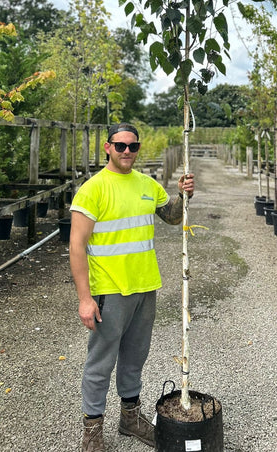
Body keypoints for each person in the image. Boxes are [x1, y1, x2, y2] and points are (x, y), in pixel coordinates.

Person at [69, 122, 195, 451]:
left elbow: (173, 217)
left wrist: (184, 194)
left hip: (144, 287)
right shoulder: (93, 189)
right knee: (100, 363)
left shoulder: (147, 185)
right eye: (120, 146)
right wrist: (85, 299)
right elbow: (76, 246)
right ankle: (92, 429)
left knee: (134, 358)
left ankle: (130, 417)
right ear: (107, 148)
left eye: (133, 146)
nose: (127, 152)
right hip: (109, 292)